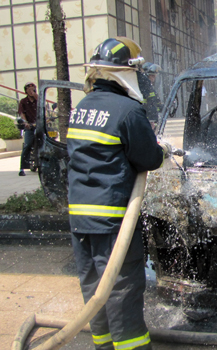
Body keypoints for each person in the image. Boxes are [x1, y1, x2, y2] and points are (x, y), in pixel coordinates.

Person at [67, 37, 172, 350]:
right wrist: (162, 149)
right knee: (122, 289)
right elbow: (148, 159)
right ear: (128, 72)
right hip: (114, 221)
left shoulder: (82, 107)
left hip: (80, 218)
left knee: (94, 287)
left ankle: (104, 345)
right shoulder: (128, 111)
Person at [18, 82, 38, 176]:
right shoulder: (23, 101)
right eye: (29, 90)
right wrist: (26, 123)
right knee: (27, 145)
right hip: (30, 126)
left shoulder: (38, 99)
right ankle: (22, 168)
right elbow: (22, 113)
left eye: (33, 89)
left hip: (39, 125)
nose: (31, 91)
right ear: (26, 91)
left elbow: (44, 108)